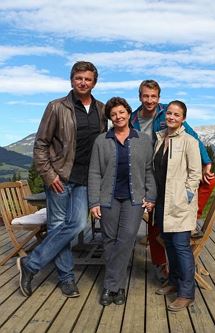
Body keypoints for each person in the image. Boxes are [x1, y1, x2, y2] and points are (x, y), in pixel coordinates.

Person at [17, 61, 107, 298]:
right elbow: (40, 144)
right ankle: (66, 278)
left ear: (94, 82)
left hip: (86, 179)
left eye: (88, 79)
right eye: (79, 78)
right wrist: (48, 175)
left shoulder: (102, 109)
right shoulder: (56, 107)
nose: (83, 82)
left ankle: (31, 263)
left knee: (77, 224)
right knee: (58, 226)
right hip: (59, 178)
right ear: (71, 80)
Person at [131, 80, 215, 280]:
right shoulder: (133, 119)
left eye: (153, 96)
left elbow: (192, 136)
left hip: (174, 171)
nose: (149, 100)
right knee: (152, 220)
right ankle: (161, 263)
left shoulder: (168, 113)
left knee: (210, 181)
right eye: (145, 96)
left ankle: (188, 219)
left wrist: (206, 162)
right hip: (150, 170)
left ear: (159, 98)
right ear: (140, 96)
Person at [88, 97, 156, 306]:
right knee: (109, 239)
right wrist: (94, 202)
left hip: (134, 199)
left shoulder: (143, 140)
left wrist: (151, 195)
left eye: (121, 112)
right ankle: (117, 288)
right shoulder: (101, 141)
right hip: (108, 198)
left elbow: (148, 170)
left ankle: (110, 285)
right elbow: (94, 173)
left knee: (126, 237)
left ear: (128, 113)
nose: (118, 117)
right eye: (113, 114)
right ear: (110, 118)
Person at [153, 100, 202, 311]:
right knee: (169, 243)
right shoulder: (160, 138)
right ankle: (173, 282)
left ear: (183, 119)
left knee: (182, 247)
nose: (171, 117)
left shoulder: (189, 141)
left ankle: (186, 293)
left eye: (176, 115)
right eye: (169, 113)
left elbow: (195, 174)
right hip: (163, 202)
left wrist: (186, 196)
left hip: (180, 203)